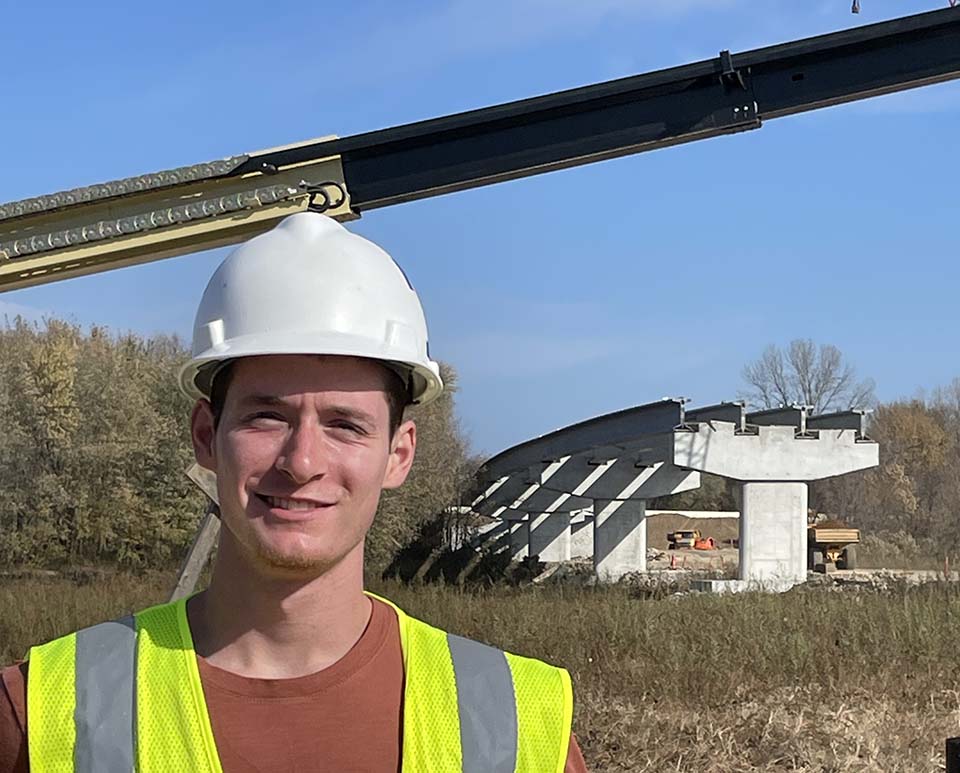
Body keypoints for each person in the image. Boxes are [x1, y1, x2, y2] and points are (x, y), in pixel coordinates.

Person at [0, 212, 587, 772]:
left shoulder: (516, 724)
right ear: (207, 437)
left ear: (398, 454)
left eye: (345, 424)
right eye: (266, 417)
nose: (302, 461)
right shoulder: (39, 711)